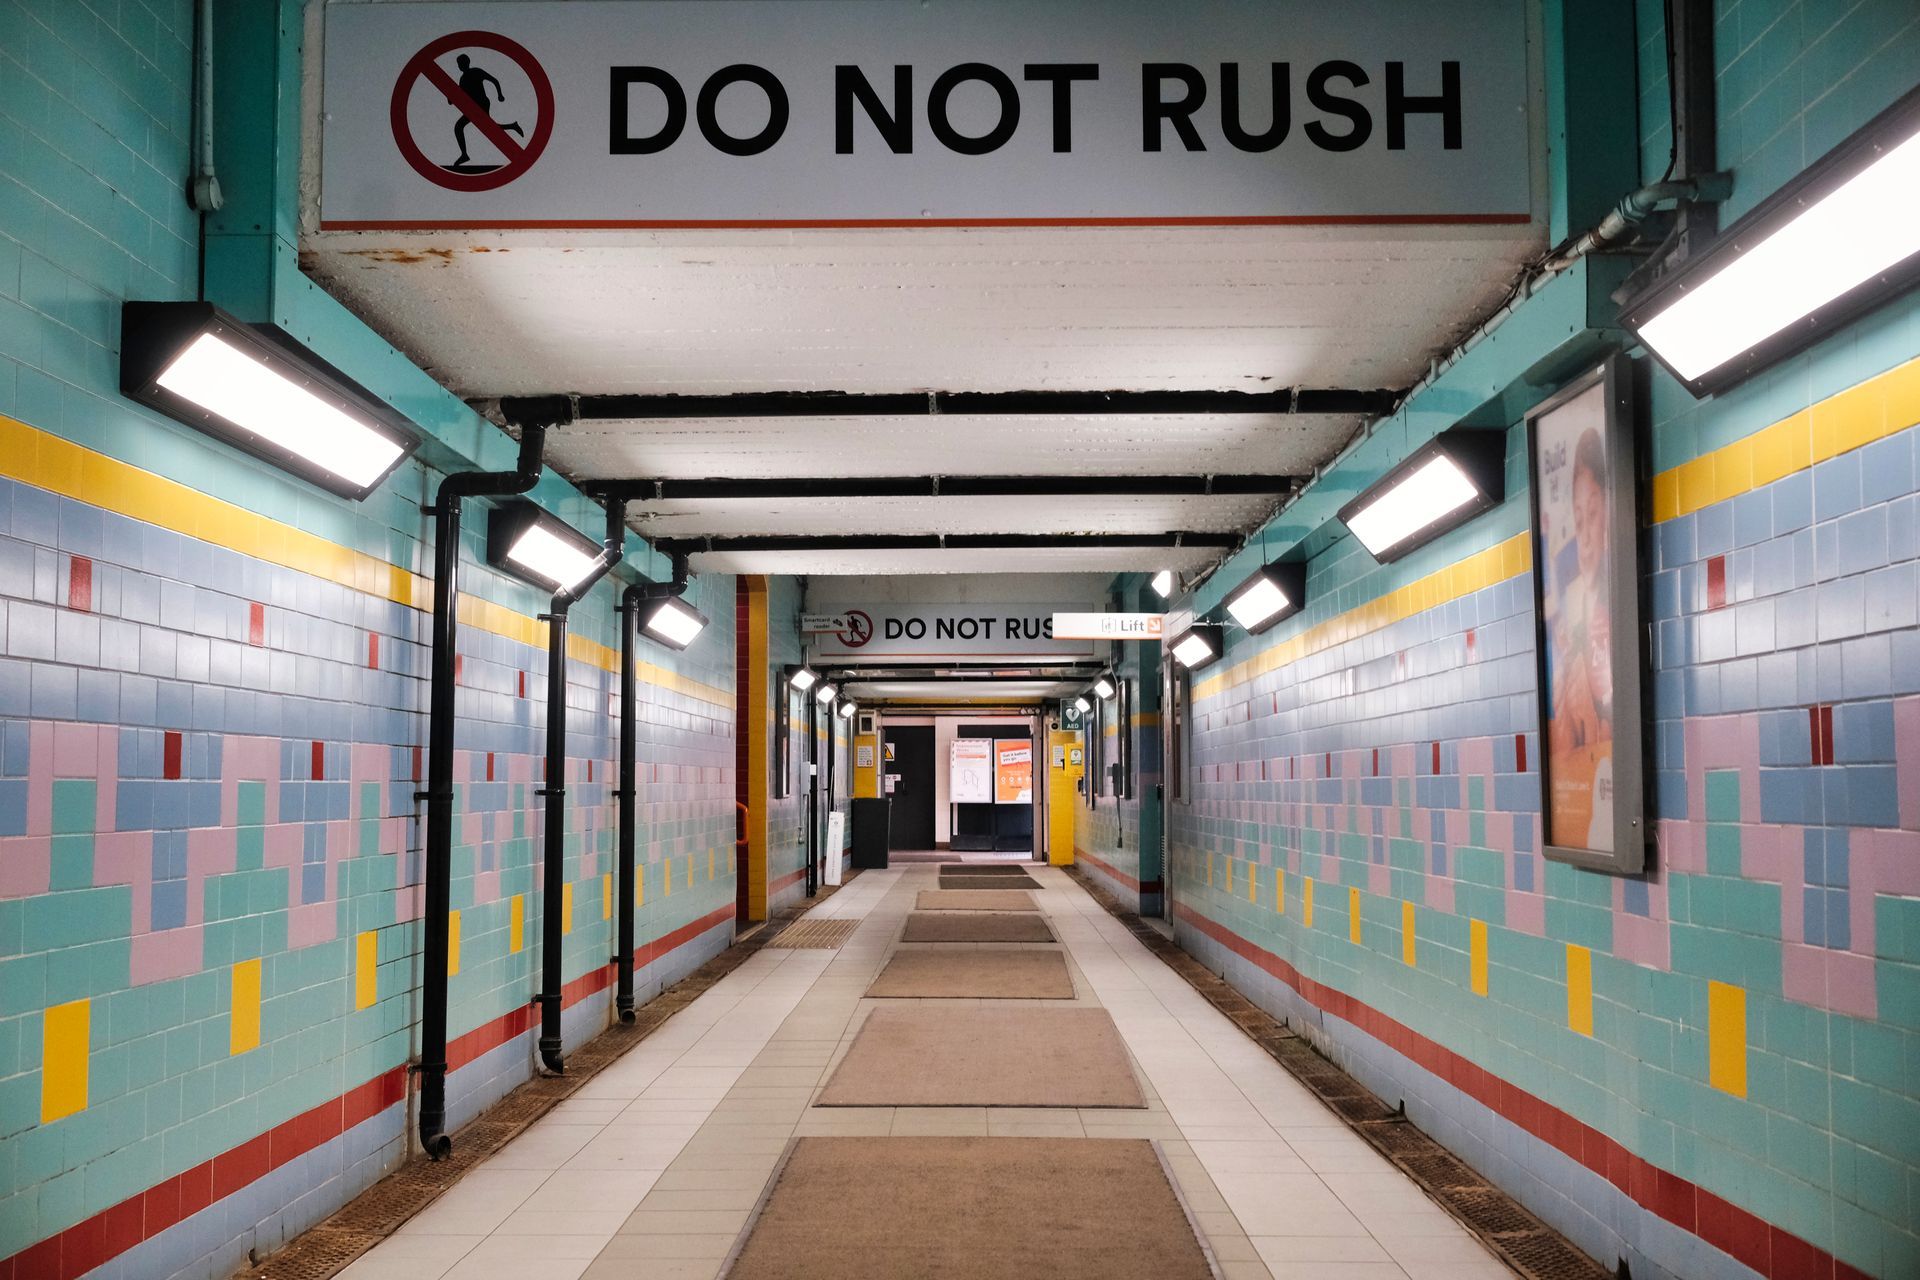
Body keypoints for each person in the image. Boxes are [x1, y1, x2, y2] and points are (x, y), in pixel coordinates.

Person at [1548, 427, 1614, 847]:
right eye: (1578, 517)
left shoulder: (1614, 600)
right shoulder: (1573, 604)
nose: (1585, 536)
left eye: (1593, 515)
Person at [449, 54, 524, 167]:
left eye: (461, 63)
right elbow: (459, 96)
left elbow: (494, 80)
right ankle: (512, 126)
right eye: (459, 64)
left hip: (482, 103)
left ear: (467, 62)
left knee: (482, 126)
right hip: (472, 108)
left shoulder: (476, 71)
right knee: (482, 126)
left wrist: (500, 94)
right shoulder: (462, 79)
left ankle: (464, 155)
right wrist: (450, 97)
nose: (460, 66)